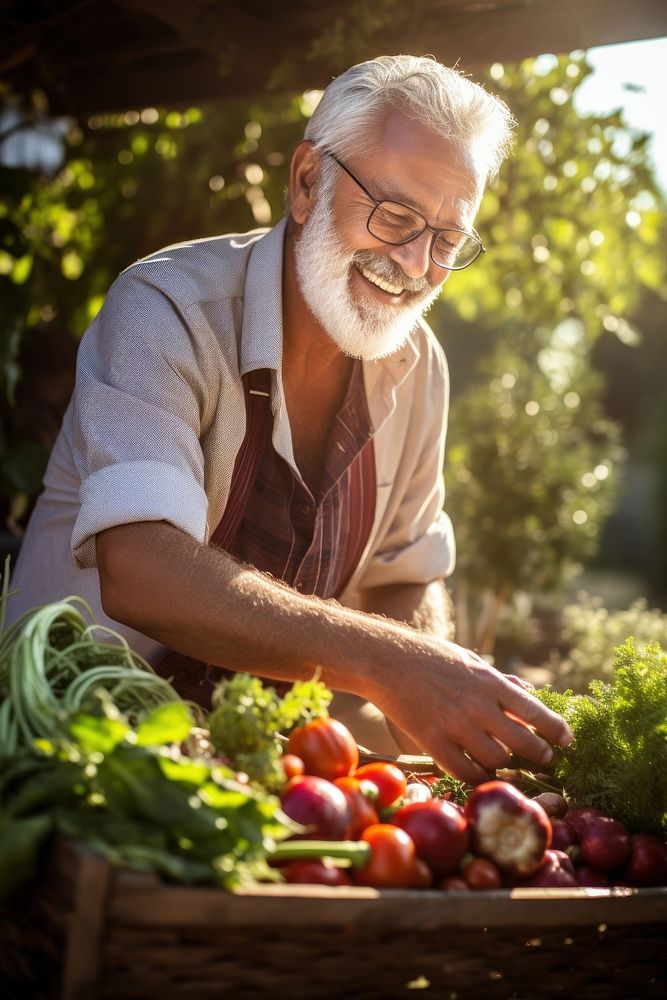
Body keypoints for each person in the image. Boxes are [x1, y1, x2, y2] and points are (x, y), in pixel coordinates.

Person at [8, 55, 572, 782]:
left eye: (445, 239)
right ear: (307, 182)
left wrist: (427, 697)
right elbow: (141, 568)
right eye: (395, 216)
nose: (415, 264)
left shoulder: (418, 364)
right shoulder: (167, 309)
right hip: (70, 756)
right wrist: (388, 663)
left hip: (261, 776)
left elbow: (405, 573)